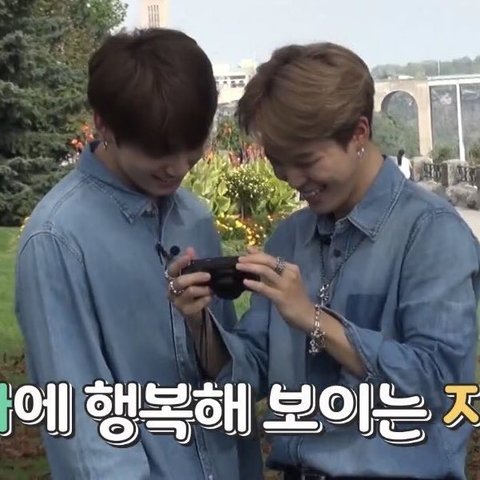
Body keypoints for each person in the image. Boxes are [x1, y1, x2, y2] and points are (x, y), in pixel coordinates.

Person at [167, 42, 480, 479]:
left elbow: (440, 387)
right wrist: (198, 322)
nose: (293, 180)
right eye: (279, 164)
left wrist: (314, 319)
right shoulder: (290, 237)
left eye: (306, 160)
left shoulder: (431, 234)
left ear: (359, 133)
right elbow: (250, 372)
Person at [15, 28, 262, 480]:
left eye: (191, 151)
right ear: (104, 125)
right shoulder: (58, 238)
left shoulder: (194, 219)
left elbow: (228, 390)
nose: (177, 168)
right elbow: (81, 426)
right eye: (159, 153)